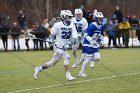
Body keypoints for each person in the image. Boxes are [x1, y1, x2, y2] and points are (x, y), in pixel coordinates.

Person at [34, 10, 78, 81]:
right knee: (67, 57)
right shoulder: (57, 25)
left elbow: (75, 38)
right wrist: (51, 40)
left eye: (70, 17)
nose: (70, 18)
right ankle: (68, 75)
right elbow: (52, 35)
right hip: (58, 46)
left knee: (52, 63)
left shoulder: (72, 25)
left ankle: (39, 69)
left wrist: (70, 43)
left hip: (64, 46)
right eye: (68, 17)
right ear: (63, 17)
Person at [78, 12, 104, 77]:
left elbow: (99, 35)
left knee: (97, 58)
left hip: (94, 45)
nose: (100, 20)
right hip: (88, 44)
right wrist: (91, 41)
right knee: (88, 58)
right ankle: (81, 72)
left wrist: (100, 41)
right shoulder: (92, 25)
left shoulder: (101, 26)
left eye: (101, 19)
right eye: (99, 19)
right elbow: (86, 35)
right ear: (95, 18)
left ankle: (84, 57)